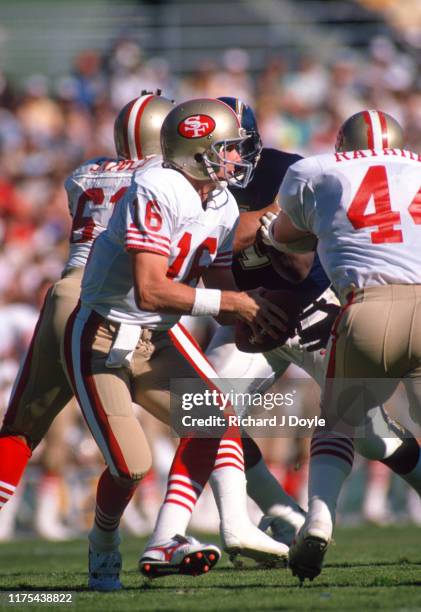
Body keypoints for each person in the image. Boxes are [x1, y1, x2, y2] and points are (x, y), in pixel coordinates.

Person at [63, 97, 289, 590]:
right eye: (228, 149)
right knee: (130, 467)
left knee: (215, 420)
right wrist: (235, 306)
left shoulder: (221, 200)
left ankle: (166, 539)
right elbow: (152, 287)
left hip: (159, 335)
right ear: (198, 151)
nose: (238, 158)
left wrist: (266, 303)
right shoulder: (157, 186)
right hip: (102, 337)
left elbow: (215, 269)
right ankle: (103, 544)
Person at [0, 91, 174, 518]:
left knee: (19, 431)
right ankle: (178, 528)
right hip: (121, 303)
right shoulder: (169, 176)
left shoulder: (84, 173)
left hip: (65, 295)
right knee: (209, 417)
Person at [268, 109, 421, 581]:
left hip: (366, 309)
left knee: (337, 425)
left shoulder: (317, 171)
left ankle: (318, 520)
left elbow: (285, 238)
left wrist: (265, 236)